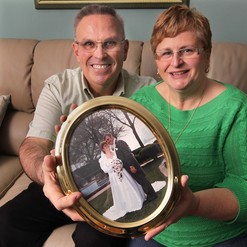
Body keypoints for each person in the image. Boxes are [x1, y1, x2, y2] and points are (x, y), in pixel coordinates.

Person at [0, 4, 155, 247]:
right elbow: (33, 144)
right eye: (89, 44)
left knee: (93, 240)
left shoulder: (148, 91)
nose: (99, 54)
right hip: (60, 183)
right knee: (6, 221)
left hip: (115, 181)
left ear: (125, 50)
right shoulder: (58, 87)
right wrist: (47, 175)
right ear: (76, 50)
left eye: (110, 43)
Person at [128, 4, 247, 247]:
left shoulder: (238, 108)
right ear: (156, 61)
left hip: (233, 235)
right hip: (160, 234)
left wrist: (195, 204)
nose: (176, 62)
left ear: (207, 54)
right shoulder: (139, 104)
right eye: (166, 53)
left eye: (187, 50)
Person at [104, 133, 158, 202]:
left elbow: (128, 155)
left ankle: (152, 195)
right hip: (128, 168)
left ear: (112, 137)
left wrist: (131, 166)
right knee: (140, 180)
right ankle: (150, 195)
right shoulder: (114, 146)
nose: (108, 141)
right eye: (106, 141)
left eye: (108, 139)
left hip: (131, 166)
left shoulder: (120, 143)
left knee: (142, 179)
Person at [99, 141, 145, 220]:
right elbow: (105, 170)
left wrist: (119, 165)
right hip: (114, 176)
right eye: (104, 146)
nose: (107, 146)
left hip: (123, 172)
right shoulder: (101, 159)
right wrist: (114, 166)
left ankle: (136, 200)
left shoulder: (114, 152)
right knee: (121, 190)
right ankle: (126, 205)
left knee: (129, 186)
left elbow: (121, 160)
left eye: (107, 144)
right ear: (102, 149)